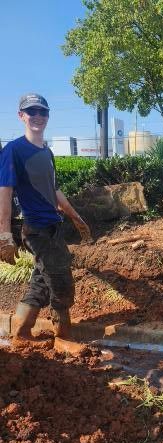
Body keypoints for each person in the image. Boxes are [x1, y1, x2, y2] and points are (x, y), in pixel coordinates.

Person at [0, 93, 91, 354]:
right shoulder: (14, 150)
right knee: (61, 279)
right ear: (21, 116)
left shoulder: (47, 151)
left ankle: (22, 332)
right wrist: (4, 233)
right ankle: (62, 337)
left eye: (43, 112)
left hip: (53, 225)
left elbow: (55, 191)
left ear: (48, 116)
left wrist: (75, 217)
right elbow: (4, 191)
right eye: (32, 112)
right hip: (36, 228)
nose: (38, 116)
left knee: (41, 280)